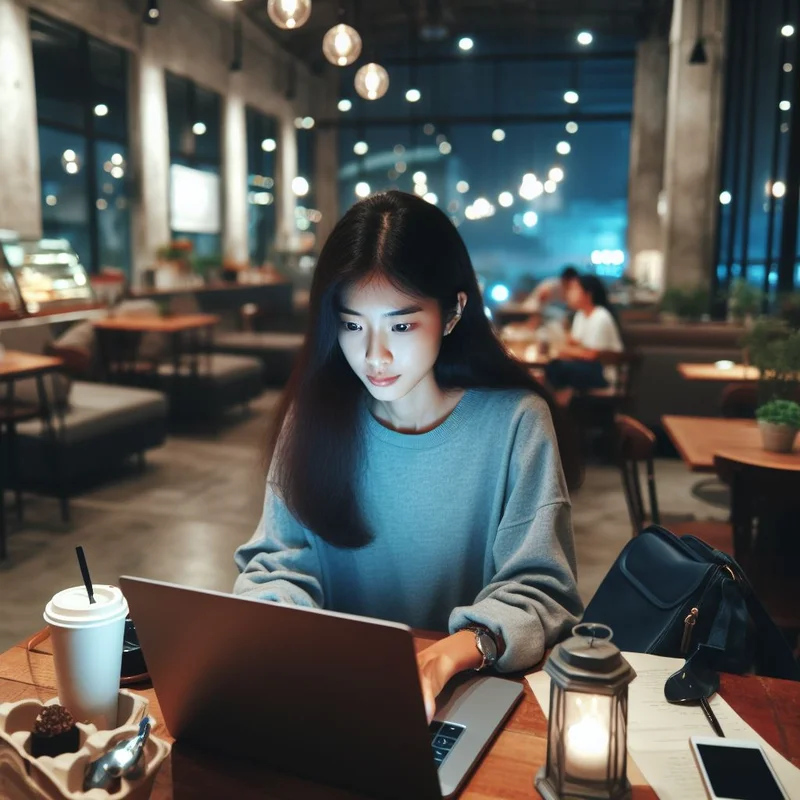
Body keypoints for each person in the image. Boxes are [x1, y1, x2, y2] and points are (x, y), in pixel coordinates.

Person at [233, 191, 583, 721]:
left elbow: (539, 593)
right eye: (353, 325)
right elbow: (277, 564)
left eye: (400, 324)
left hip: (460, 694)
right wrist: (269, 625)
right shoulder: (314, 418)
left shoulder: (516, 421)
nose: (375, 355)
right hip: (324, 694)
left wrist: (443, 658)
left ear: (453, 312)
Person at [544, 274, 624, 405]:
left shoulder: (601, 317)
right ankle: (560, 408)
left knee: (557, 368)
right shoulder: (581, 315)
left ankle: (560, 410)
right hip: (588, 367)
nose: (569, 293)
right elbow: (574, 343)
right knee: (553, 366)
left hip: (605, 373)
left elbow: (592, 354)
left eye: (574, 289)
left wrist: (564, 350)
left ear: (588, 294)